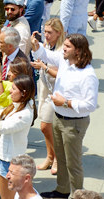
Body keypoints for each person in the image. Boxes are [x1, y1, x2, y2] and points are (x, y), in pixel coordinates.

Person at [34, 35, 98, 199]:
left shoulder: (87, 75)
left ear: (78, 50)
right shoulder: (64, 60)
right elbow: (45, 54)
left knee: (73, 164)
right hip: (58, 118)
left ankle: (77, 195)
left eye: (68, 46)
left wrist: (66, 103)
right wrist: (35, 44)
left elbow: (90, 105)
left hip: (74, 124)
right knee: (61, 158)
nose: (63, 48)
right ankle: (62, 191)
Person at [0, 73, 36, 199]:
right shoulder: (17, 105)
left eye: (13, 88)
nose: (10, 91)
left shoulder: (23, 115)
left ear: (23, 93)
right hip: (4, 158)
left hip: (10, 162)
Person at [30, 18, 65, 174]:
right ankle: (50, 157)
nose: (46, 35)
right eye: (45, 32)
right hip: (43, 88)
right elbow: (38, 56)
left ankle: (58, 157)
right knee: (47, 127)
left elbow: (62, 74)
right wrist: (35, 46)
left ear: (59, 33)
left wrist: (44, 67)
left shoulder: (62, 50)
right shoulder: (46, 45)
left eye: (50, 32)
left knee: (45, 127)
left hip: (55, 92)